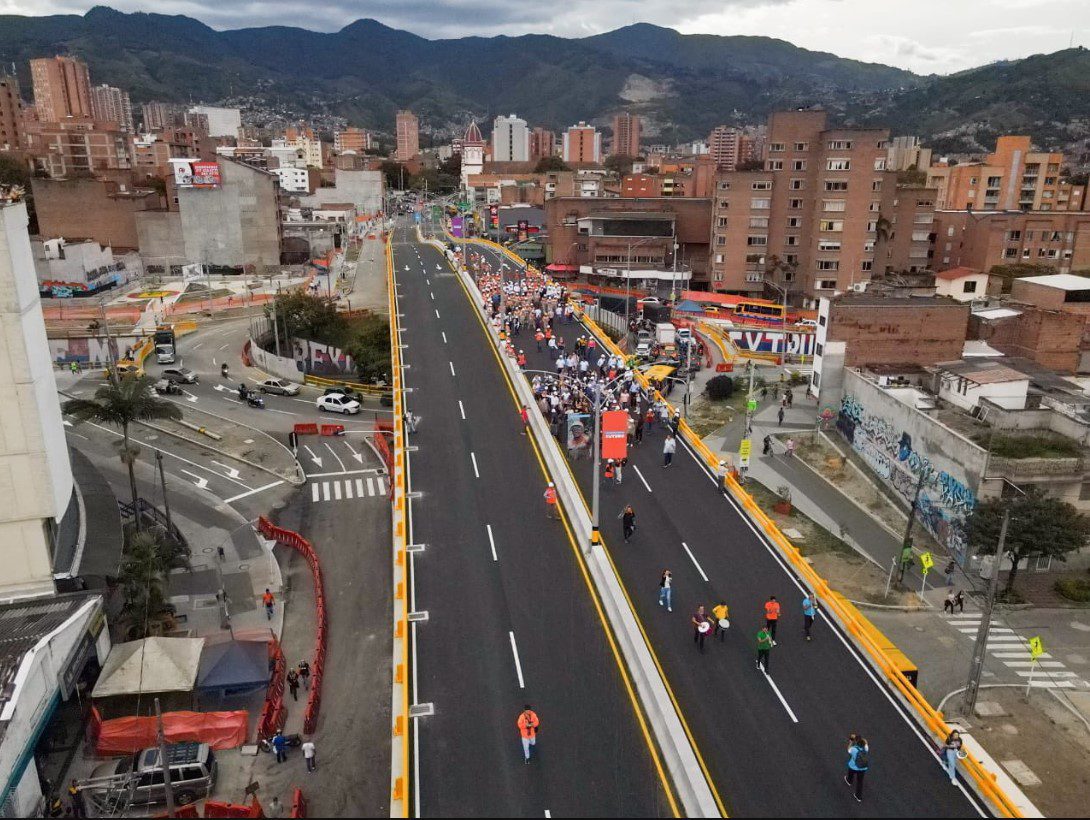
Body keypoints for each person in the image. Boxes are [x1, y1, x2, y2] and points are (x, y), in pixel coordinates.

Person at [845, 735, 870, 803]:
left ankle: (849, 781)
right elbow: (866, 743)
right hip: (862, 768)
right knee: (860, 782)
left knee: (850, 774)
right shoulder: (865, 748)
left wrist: (851, 742)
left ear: (857, 743)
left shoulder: (854, 749)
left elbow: (848, 750)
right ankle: (858, 796)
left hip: (853, 766)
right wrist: (863, 740)